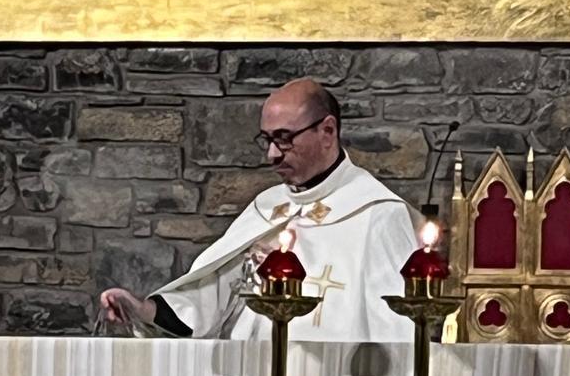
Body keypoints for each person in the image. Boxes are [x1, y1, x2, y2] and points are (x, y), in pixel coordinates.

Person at [99, 80, 420, 342]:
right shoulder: (266, 208)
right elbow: (206, 301)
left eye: (284, 139)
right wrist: (141, 309)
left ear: (327, 131)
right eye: (266, 139)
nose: (271, 154)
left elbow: (398, 332)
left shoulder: (378, 214)